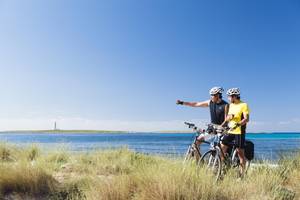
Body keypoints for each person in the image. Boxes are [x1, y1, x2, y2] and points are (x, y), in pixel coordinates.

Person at [177, 86, 228, 157]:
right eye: (211, 95)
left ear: (218, 95)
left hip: (222, 129)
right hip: (212, 128)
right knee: (197, 141)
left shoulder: (225, 105)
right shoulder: (210, 102)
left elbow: (227, 119)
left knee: (220, 149)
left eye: (213, 95)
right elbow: (196, 104)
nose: (211, 97)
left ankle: (220, 164)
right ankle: (199, 163)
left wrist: (221, 127)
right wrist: (182, 103)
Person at [221, 88, 250, 177]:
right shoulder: (230, 105)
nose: (228, 98)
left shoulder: (244, 105)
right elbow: (228, 118)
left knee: (240, 153)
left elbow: (246, 119)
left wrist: (238, 124)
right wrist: (221, 126)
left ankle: (241, 175)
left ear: (234, 96)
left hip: (239, 132)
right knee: (222, 147)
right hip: (230, 130)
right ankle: (221, 170)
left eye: (229, 96)